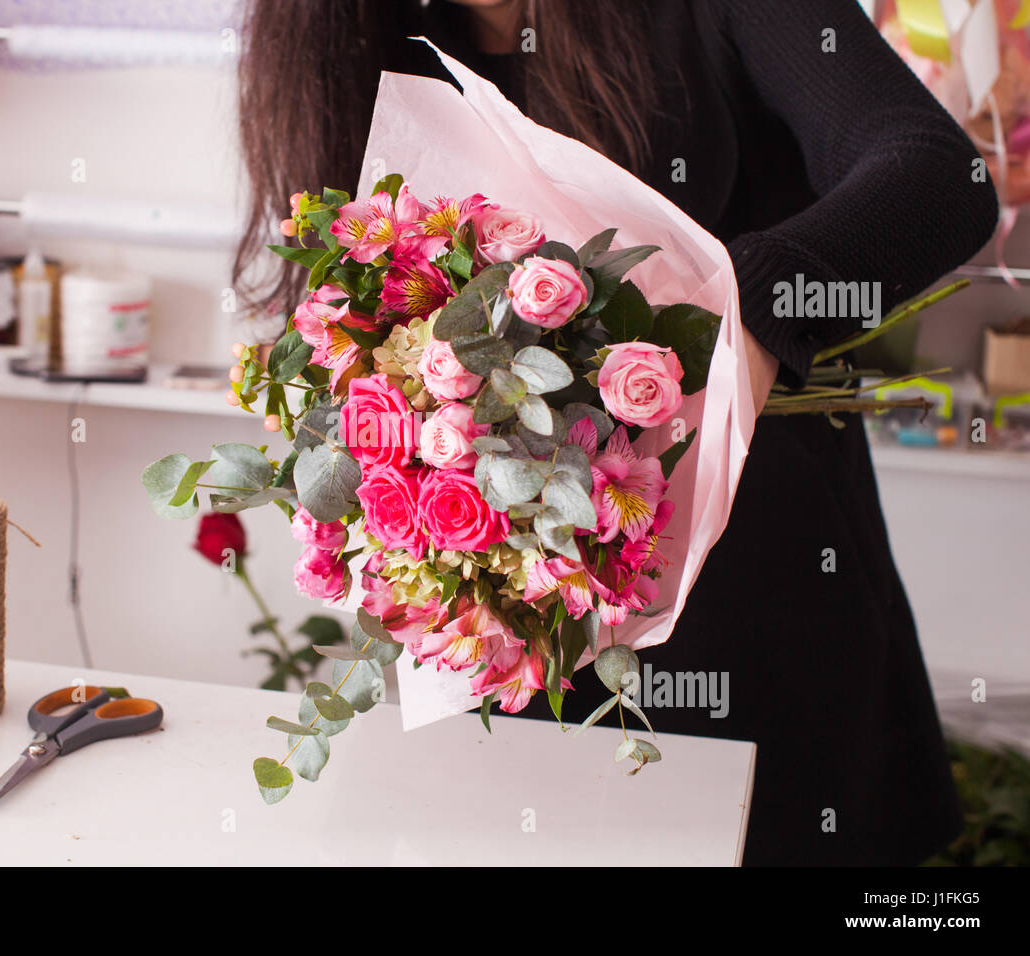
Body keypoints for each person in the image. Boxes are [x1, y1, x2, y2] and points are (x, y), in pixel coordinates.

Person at [233, 0, 999, 865]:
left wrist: (743, 313)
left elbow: (938, 177)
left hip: (767, 613)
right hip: (512, 652)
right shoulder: (336, 39)